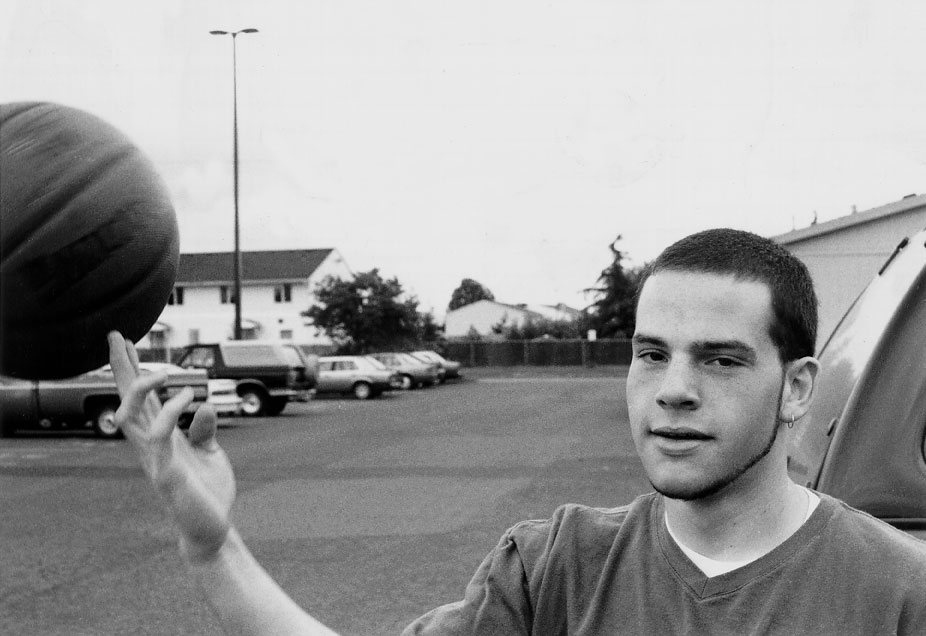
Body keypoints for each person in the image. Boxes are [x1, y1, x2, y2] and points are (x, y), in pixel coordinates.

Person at [108, 228, 926, 635]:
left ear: (797, 388)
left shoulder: (897, 593)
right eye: (651, 354)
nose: (672, 392)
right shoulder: (553, 571)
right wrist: (214, 550)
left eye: (719, 361)